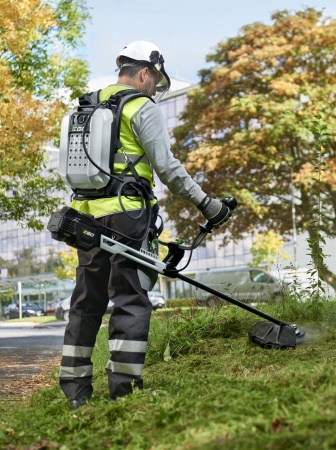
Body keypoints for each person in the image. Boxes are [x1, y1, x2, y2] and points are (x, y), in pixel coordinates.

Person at [59, 40, 231, 410]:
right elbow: (167, 169)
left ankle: (75, 392)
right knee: (130, 298)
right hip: (127, 217)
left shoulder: (89, 105)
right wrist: (208, 205)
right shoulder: (141, 107)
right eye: (155, 80)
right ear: (145, 72)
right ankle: (123, 390)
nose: (155, 88)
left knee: (87, 302)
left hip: (86, 217)